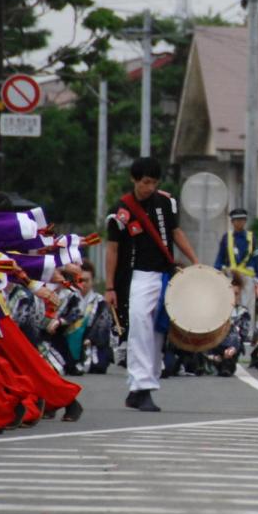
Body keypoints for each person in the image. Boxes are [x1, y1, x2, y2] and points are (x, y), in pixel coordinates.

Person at [104, 157, 199, 413]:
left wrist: (195, 261)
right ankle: (141, 385)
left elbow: (176, 232)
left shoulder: (166, 202)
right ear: (134, 180)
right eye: (146, 182)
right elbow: (112, 249)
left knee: (158, 330)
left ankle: (142, 387)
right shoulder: (121, 210)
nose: (150, 187)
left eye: (154, 182)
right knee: (139, 325)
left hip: (165, 274)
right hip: (137, 275)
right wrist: (110, 287)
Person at [215, 207, 258, 326]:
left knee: (247, 307)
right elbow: (220, 256)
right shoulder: (227, 237)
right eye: (237, 220)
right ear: (232, 222)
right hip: (231, 276)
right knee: (229, 305)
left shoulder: (252, 237)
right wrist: (217, 271)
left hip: (247, 276)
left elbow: (257, 256)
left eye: (242, 220)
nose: (239, 222)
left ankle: (247, 335)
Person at [76, 261, 116, 374]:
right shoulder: (70, 297)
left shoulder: (99, 301)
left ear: (92, 281)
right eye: (80, 280)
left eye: (86, 280)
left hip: (93, 343)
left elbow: (103, 325)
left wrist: (90, 339)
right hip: (74, 341)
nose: (83, 284)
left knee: (98, 366)